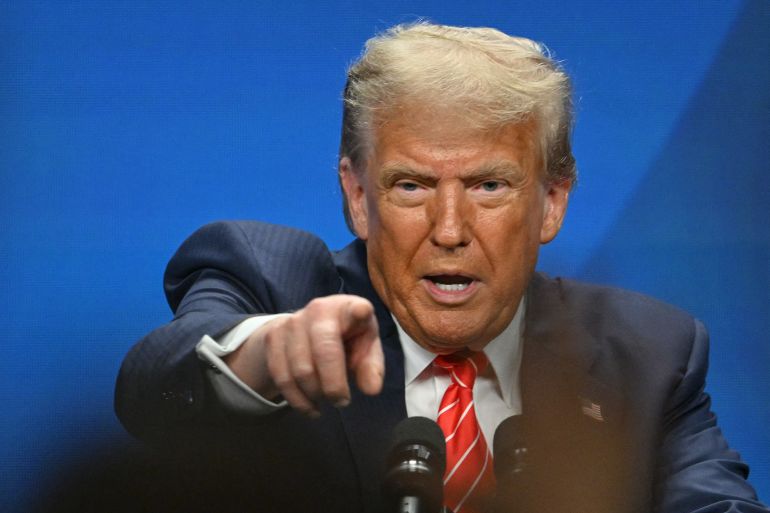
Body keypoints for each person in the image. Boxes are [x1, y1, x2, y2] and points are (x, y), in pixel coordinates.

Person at [115, 22, 767, 513]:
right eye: (411, 186)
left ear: (552, 201)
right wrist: (262, 355)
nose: (449, 230)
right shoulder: (271, 280)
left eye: (488, 185)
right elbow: (147, 390)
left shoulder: (645, 354)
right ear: (358, 196)